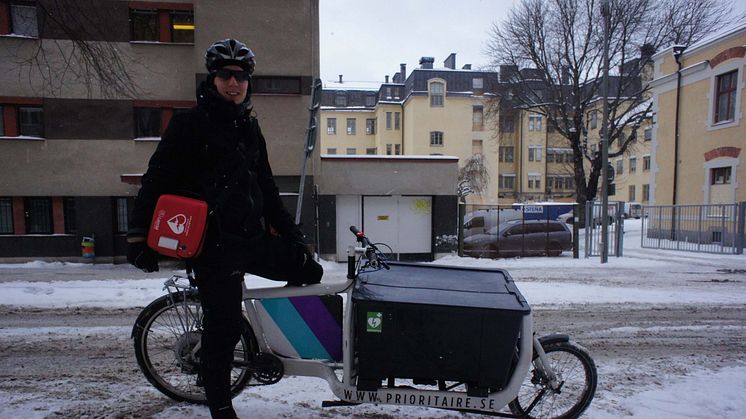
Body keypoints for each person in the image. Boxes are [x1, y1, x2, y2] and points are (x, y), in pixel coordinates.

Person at [126, 38, 323, 418]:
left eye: (241, 77)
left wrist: (294, 236)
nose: (234, 84)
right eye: (225, 76)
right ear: (213, 79)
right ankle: (220, 405)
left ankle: (272, 340)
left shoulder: (250, 128)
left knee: (309, 271)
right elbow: (156, 180)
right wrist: (138, 236)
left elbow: (266, 188)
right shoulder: (188, 125)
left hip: (251, 239)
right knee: (224, 329)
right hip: (212, 246)